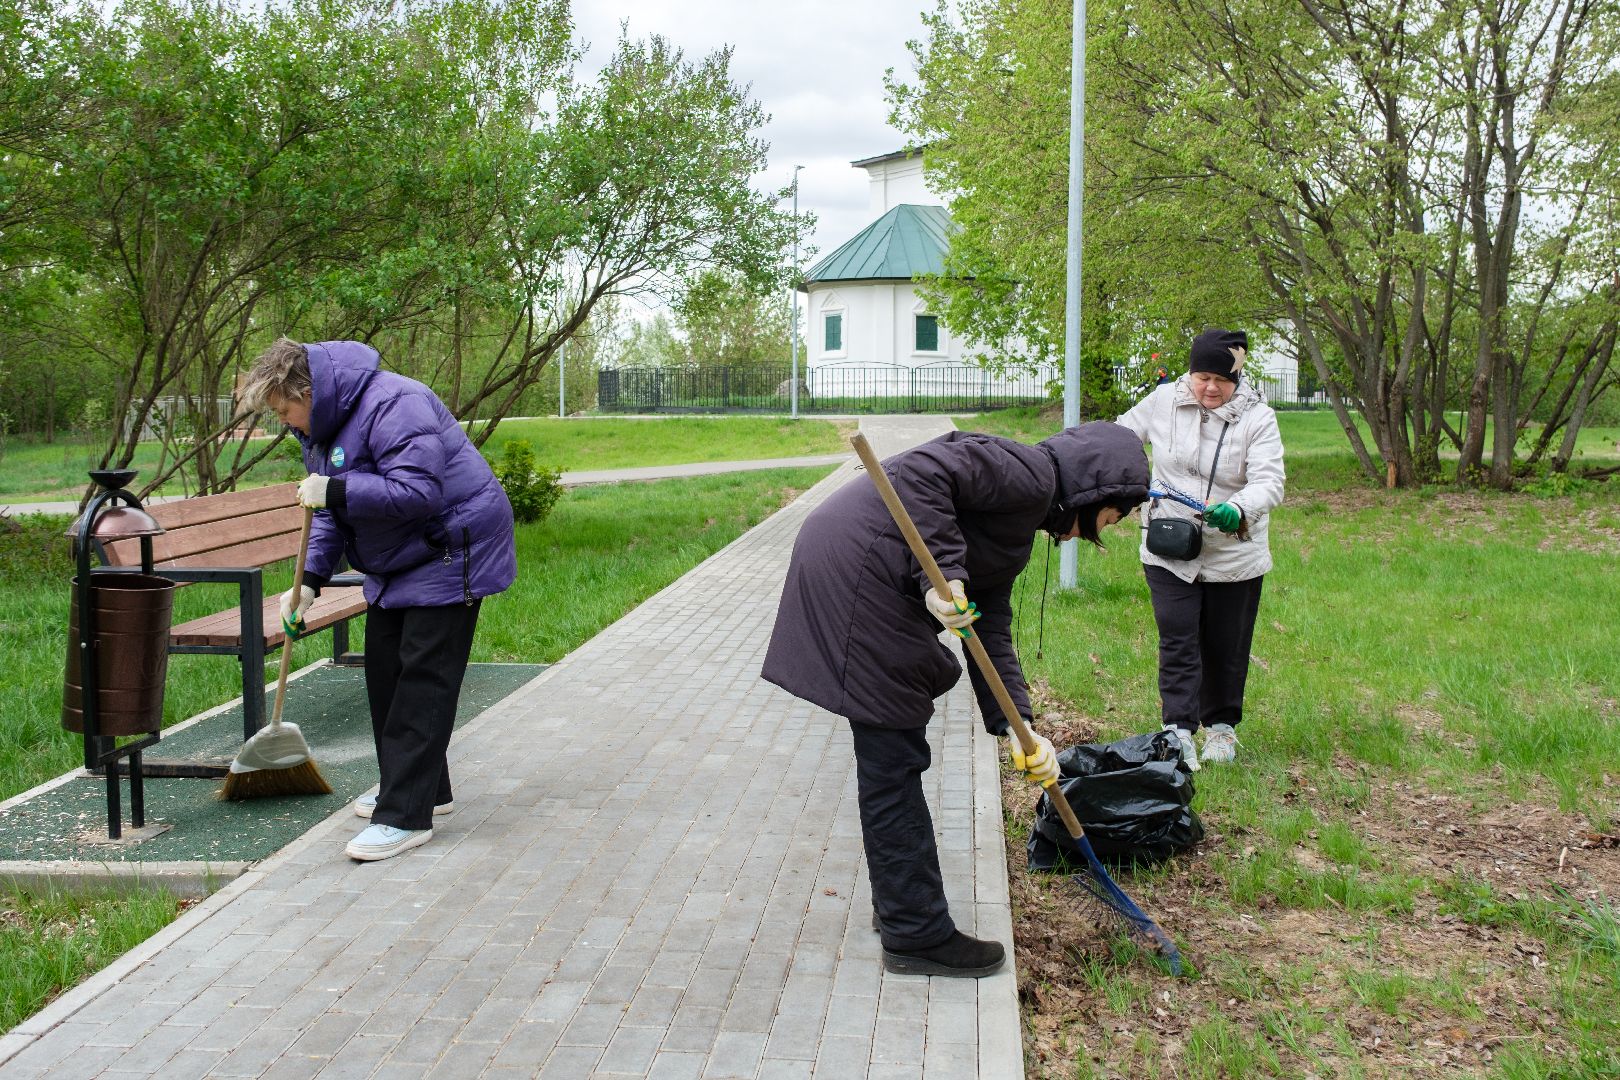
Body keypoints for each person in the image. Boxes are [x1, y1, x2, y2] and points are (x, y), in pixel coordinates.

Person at [761, 422, 1149, 977]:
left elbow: (989, 630)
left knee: (891, 756)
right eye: (1112, 517)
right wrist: (941, 574)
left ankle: (902, 905)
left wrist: (1021, 729)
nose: (1096, 532)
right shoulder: (1030, 475)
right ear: (1091, 493)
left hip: (863, 567)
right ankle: (915, 931)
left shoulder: (1017, 521)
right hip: (860, 571)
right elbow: (920, 474)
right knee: (893, 759)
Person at [238, 338, 517, 862]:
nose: (285, 423)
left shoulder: (395, 403)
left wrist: (337, 490)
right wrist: (311, 582)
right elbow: (327, 514)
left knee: (422, 680)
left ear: (309, 391)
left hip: (452, 547)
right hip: (400, 558)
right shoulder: (322, 427)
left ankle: (405, 817)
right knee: (385, 669)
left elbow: (417, 493)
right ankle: (422, 790)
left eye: (285, 410)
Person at [1116, 328, 1285, 770]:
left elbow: (1269, 480)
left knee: (1225, 645)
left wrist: (1238, 508)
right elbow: (1119, 439)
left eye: (1221, 380)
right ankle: (1177, 730)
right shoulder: (1161, 402)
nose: (1210, 387)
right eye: (1202, 376)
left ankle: (1222, 730)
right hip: (1168, 546)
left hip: (1234, 553)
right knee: (1177, 639)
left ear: (1237, 378)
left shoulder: (1258, 418)